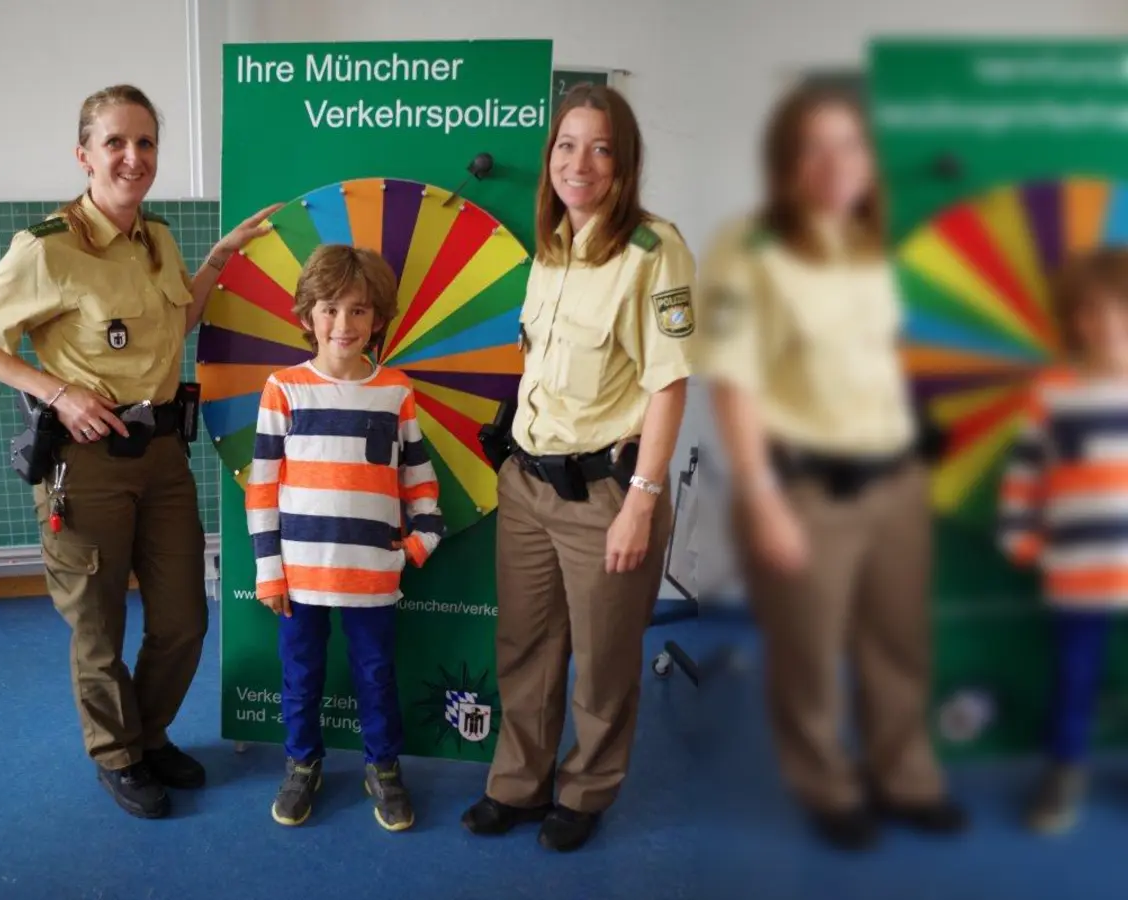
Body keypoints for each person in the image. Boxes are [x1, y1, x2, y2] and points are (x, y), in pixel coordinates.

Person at [0, 84, 278, 820]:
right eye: (115, 143)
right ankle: (117, 753)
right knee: (98, 625)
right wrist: (58, 393)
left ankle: (149, 733)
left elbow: (176, 322)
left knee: (183, 620)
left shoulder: (156, 238)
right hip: (86, 460)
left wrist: (218, 259)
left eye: (145, 142)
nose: (133, 157)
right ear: (84, 155)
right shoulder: (47, 248)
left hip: (163, 453)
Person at [697, 84, 966, 851]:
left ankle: (904, 776)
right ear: (785, 160)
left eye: (849, 144)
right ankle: (826, 784)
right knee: (809, 656)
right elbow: (735, 382)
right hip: (805, 491)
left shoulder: (866, 244)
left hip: (895, 482)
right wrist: (762, 499)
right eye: (814, 146)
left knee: (898, 645)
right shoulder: (749, 246)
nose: (835, 162)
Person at [460, 83, 694, 853]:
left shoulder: (653, 252)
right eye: (566, 145)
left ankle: (586, 790)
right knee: (525, 648)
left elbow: (669, 385)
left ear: (624, 162)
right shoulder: (552, 247)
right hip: (529, 483)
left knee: (602, 660)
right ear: (550, 156)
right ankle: (518, 784)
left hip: (605, 495)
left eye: (600, 149)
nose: (579, 163)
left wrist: (642, 503)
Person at [245, 245, 443, 832]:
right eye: (330, 309)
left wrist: (421, 541)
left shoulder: (395, 390)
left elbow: (418, 476)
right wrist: (268, 571)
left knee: (376, 675)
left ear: (377, 319)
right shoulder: (283, 388)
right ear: (308, 314)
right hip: (299, 573)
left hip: (373, 573)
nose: (343, 324)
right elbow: (262, 487)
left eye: (358, 310)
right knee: (301, 675)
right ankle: (302, 763)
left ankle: (383, 766)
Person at [999, 249, 1128, 835]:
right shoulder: (1053, 392)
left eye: (1120, 309)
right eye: (1092, 311)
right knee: (1075, 676)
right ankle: (1065, 769)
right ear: (1075, 320)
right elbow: (1026, 471)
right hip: (1078, 567)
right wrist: (1020, 536)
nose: (1107, 324)